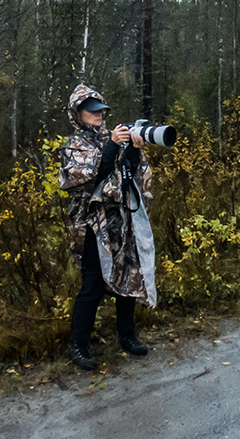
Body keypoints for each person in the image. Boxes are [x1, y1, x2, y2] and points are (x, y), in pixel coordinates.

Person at [59, 84, 158, 370]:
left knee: (128, 274)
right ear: (78, 113)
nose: (98, 115)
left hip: (121, 220)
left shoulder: (113, 138)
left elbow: (131, 174)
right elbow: (90, 178)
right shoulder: (74, 145)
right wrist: (114, 145)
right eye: (92, 111)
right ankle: (79, 345)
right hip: (91, 224)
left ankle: (127, 336)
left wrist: (135, 151)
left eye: (101, 110)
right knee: (92, 284)